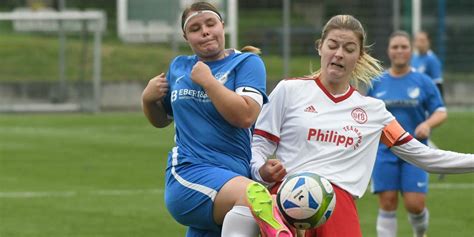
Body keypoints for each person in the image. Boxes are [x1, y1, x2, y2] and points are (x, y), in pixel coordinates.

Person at [250, 15, 474, 237]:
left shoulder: (373, 111)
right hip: (288, 197)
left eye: (349, 48)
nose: (339, 53)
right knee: (245, 214)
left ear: (359, 56)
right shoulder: (288, 91)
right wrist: (261, 172)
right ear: (320, 47)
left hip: (339, 204)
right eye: (333, 45)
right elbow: (259, 145)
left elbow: (423, 156)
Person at [142, 2, 294, 237]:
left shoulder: (246, 64)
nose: (204, 31)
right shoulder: (179, 67)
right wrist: (148, 100)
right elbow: (162, 120)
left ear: (222, 25)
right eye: (195, 28)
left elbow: (245, 115)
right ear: (186, 37)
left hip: (232, 180)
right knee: (255, 197)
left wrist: (209, 81)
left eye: (210, 23)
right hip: (190, 171)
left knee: (251, 205)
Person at [367, 30, 447, 237]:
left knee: (415, 204)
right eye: (395, 47)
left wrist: (428, 124)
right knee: (387, 202)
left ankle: (420, 233)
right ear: (389, 51)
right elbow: (364, 112)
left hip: (416, 151)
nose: (400, 51)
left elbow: (441, 111)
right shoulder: (377, 82)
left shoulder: (423, 81)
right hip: (385, 151)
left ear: (411, 50)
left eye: (404, 47)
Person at [411, 31, 444, 98]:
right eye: (417, 40)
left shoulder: (432, 59)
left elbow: (437, 83)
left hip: (426, 98)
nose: (419, 43)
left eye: (422, 41)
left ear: (428, 42)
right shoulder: (413, 57)